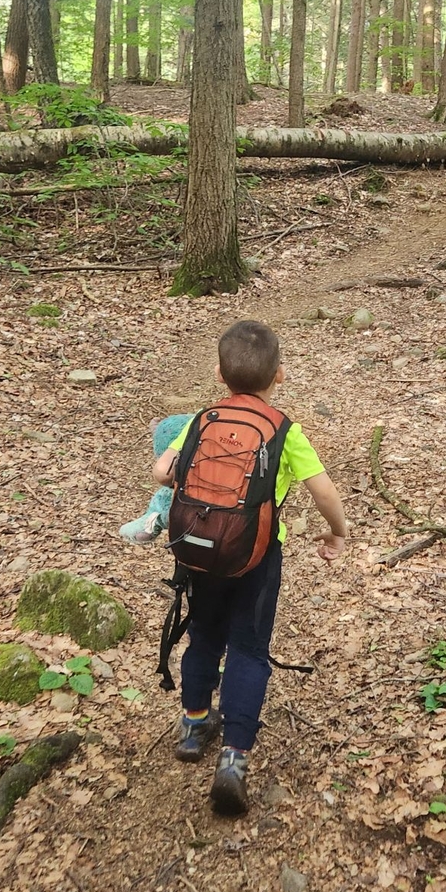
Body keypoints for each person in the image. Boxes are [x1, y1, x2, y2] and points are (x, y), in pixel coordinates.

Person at [152, 320, 348, 816]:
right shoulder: (286, 430)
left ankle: (195, 724)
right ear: (279, 375)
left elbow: (161, 472)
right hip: (257, 556)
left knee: (202, 634)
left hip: (198, 548)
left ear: (219, 374)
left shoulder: (202, 418)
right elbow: (323, 490)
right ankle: (233, 758)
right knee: (248, 647)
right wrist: (337, 531)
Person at [119, 414, 192, 545]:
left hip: (189, 511)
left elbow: (164, 474)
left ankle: (150, 524)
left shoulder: (201, 419)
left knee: (164, 502)